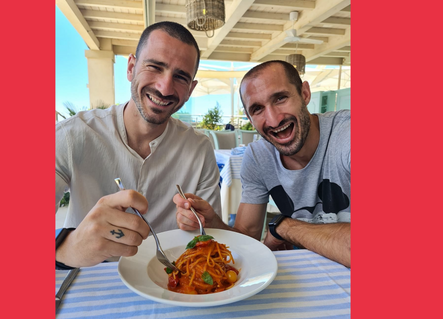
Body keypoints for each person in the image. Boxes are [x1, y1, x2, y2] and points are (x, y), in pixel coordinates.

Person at [55, 21, 222, 269]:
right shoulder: (72, 135)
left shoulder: (199, 148)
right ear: (131, 68)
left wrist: (204, 223)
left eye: (180, 77)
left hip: (170, 281)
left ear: (190, 90)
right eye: (155, 67)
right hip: (89, 279)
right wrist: (67, 248)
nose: (165, 87)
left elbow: (208, 234)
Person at [174, 60, 351, 267]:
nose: (274, 120)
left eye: (280, 98)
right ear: (249, 117)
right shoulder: (258, 157)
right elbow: (246, 238)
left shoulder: (347, 135)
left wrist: (286, 228)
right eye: (257, 109)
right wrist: (212, 221)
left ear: (304, 94)